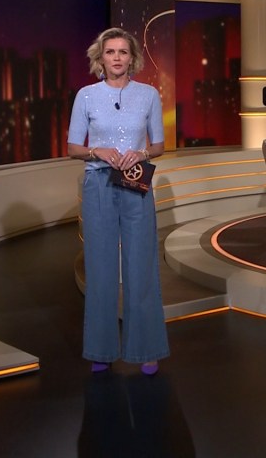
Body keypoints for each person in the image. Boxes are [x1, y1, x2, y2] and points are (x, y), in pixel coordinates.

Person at [68, 27, 168, 376]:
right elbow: (73, 148)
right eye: (110, 52)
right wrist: (98, 151)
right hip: (98, 182)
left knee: (142, 266)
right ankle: (102, 348)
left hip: (136, 180)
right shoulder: (86, 96)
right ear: (100, 57)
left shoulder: (149, 95)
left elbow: (159, 145)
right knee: (100, 268)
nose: (116, 58)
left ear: (132, 58)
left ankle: (146, 348)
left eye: (123, 52)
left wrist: (141, 153)